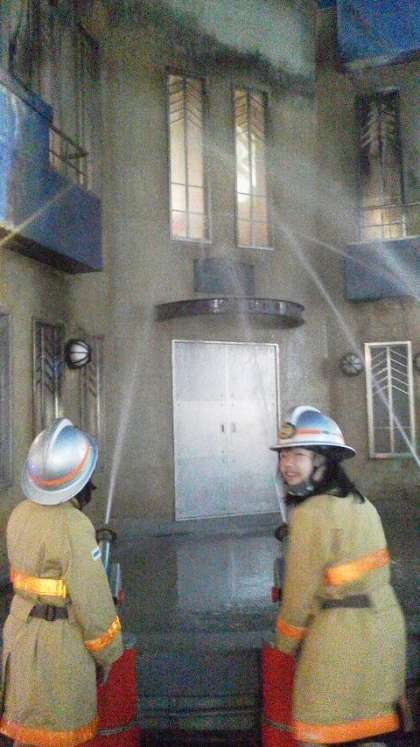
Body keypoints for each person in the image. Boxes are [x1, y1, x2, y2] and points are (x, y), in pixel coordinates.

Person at [271, 405, 406, 746]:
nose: (287, 464)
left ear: (323, 461)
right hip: (385, 631)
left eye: (298, 455)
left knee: (324, 730)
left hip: (339, 642)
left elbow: (297, 599)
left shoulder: (309, 514)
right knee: (372, 729)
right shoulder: (362, 504)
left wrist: (283, 645)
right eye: (284, 455)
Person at [0, 418, 124, 747]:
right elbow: (94, 605)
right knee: (54, 734)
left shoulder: (19, 514)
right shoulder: (74, 525)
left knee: (26, 735)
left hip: (20, 642)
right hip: (57, 654)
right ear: (78, 482)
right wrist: (109, 653)